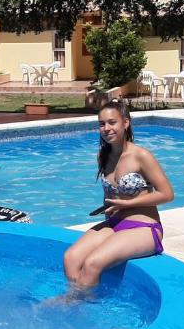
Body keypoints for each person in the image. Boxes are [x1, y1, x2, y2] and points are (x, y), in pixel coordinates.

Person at [63, 99, 174, 291]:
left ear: (126, 123)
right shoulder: (104, 156)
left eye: (112, 122)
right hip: (114, 224)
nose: (106, 128)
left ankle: (75, 306)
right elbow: (109, 194)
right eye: (101, 124)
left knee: (92, 264)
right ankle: (77, 298)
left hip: (144, 227)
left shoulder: (141, 156)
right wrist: (108, 209)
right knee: (71, 258)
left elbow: (167, 194)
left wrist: (127, 204)